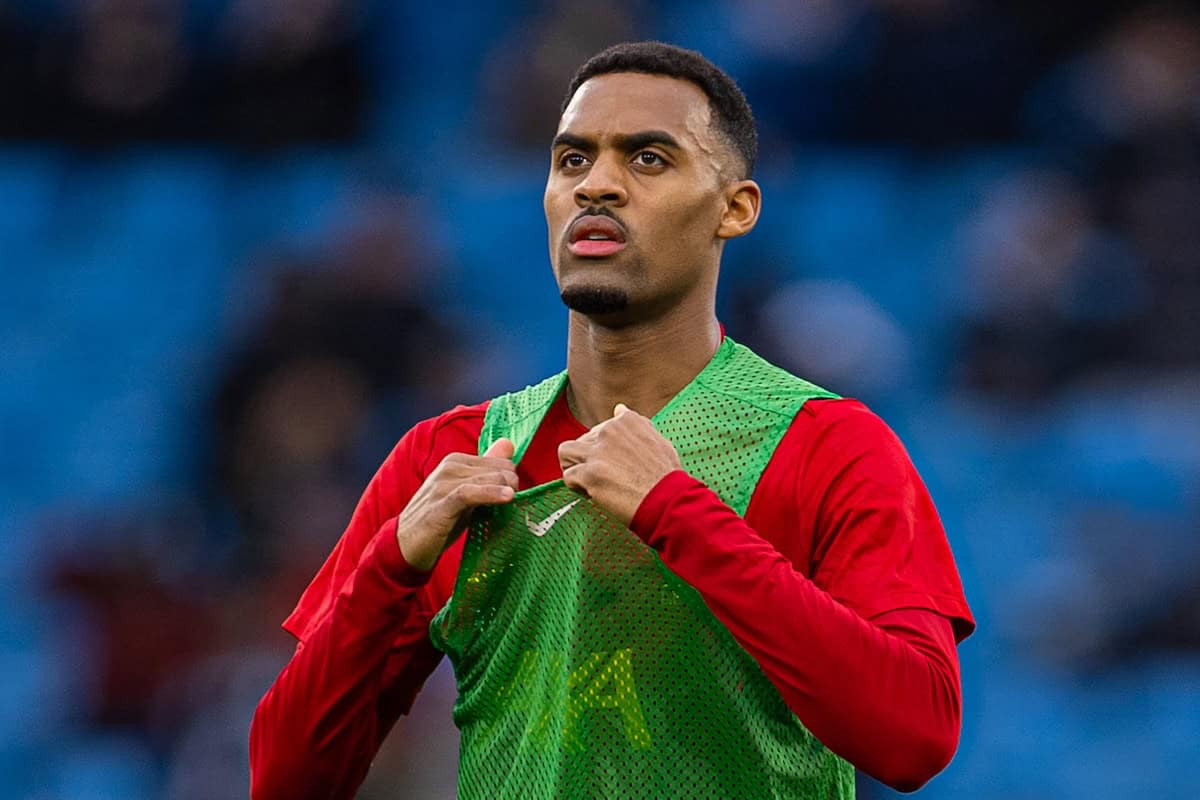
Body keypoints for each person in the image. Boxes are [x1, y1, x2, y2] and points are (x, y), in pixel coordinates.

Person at [249, 41, 974, 799]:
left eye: (648, 159)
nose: (598, 184)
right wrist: (391, 569)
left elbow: (915, 736)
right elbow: (285, 780)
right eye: (571, 160)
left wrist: (676, 513)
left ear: (735, 208)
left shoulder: (827, 444)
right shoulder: (451, 457)